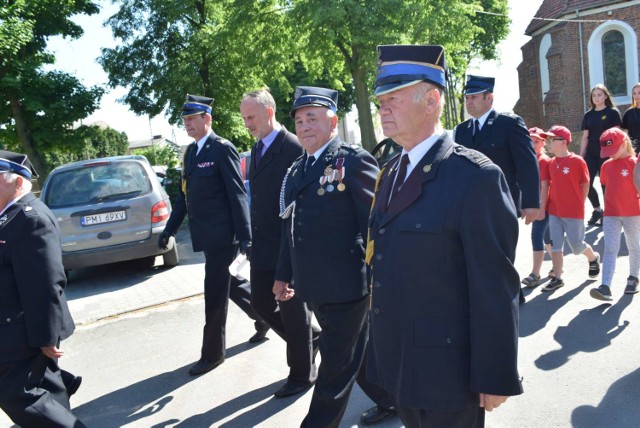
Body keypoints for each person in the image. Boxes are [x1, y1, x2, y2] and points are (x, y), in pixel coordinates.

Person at [366, 44, 523, 428]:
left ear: (432, 100)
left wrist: (495, 373)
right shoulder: (390, 172)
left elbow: (495, 285)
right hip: (398, 359)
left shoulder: (474, 177)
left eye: (394, 98)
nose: (382, 108)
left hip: (447, 372)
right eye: (380, 100)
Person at [273, 86, 379, 427]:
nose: (304, 126)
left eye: (312, 119)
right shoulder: (297, 169)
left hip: (348, 286)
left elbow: (375, 226)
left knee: (334, 369)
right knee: (353, 357)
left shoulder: (352, 160)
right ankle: (391, 399)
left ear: (332, 121)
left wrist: (383, 279)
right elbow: (291, 228)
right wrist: (282, 274)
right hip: (313, 286)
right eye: (300, 121)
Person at [159, 94, 266, 376]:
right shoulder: (191, 153)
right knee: (231, 284)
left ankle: (213, 354)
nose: (188, 125)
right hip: (206, 236)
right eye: (185, 121)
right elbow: (184, 197)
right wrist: (169, 229)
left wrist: (246, 237)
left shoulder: (222, 149)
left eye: (192, 119)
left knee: (214, 294)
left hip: (224, 236)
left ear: (207, 119)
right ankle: (265, 315)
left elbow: (237, 195)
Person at [239, 89, 319, 398]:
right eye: (245, 117)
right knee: (260, 302)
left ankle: (302, 373)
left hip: (287, 244)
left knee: (292, 310)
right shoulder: (257, 147)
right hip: (262, 244)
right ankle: (311, 341)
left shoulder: (292, 147)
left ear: (269, 112)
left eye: (251, 117)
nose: (247, 123)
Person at [0, 151, 85, 427]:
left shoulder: (29, 218)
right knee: (46, 388)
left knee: (19, 395)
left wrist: (46, 337)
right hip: (18, 324)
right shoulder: (9, 216)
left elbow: (47, 282)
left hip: (24, 328)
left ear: (17, 182)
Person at [453, 74, 540, 224]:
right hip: (469, 205)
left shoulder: (509, 124)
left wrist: (531, 202)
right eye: (467, 98)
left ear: (489, 98)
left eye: (474, 97)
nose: (469, 102)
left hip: (501, 203)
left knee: (502, 248)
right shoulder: (461, 130)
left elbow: (527, 164)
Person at [539, 125, 601, 292]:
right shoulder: (551, 163)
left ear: (564, 142)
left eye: (552, 139)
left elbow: (586, 183)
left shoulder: (577, 161)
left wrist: (579, 202)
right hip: (554, 212)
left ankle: (593, 257)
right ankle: (558, 278)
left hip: (573, 212)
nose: (549, 143)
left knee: (576, 246)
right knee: (556, 246)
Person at [590, 128, 640, 300]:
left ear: (624, 143)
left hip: (633, 214)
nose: (610, 155)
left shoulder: (635, 163)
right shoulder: (606, 166)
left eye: (613, 150)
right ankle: (605, 286)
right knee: (610, 248)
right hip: (611, 214)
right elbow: (606, 184)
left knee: (634, 246)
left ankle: (633, 277)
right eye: (607, 151)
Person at [580, 84, 623, 226]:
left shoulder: (613, 113)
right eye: (594, 95)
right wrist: (581, 155)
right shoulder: (588, 115)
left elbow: (617, 135)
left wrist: (617, 153)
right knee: (585, 182)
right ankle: (598, 210)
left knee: (606, 184)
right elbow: (585, 136)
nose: (596, 97)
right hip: (591, 153)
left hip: (607, 152)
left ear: (605, 96)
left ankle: (609, 214)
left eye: (599, 94)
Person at [521, 127, 553, 288]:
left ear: (543, 143)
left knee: (537, 236)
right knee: (547, 238)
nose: (533, 144)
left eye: (537, 141)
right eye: (530, 141)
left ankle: (535, 274)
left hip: (545, 206)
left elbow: (545, 186)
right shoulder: (528, 158)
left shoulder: (544, 160)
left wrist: (541, 208)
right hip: (536, 204)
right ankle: (557, 266)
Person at [622, 82, 640, 155]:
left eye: (639, 92)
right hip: (634, 148)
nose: (636, 95)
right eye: (634, 93)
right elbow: (625, 132)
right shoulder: (629, 112)